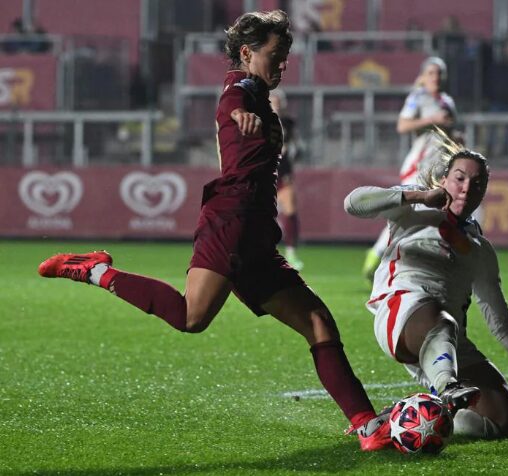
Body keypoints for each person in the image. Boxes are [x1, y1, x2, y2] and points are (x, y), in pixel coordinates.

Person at [37, 10, 392, 452]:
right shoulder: (240, 89)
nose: (283, 65)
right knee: (192, 318)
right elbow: (232, 100)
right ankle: (94, 271)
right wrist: (242, 113)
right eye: (276, 55)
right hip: (232, 221)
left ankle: (368, 427)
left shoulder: (259, 93)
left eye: (286, 56)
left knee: (319, 322)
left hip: (258, 231)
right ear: (247, 53)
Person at [345, 130, 508, 439]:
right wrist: (418, 195)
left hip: (448, 340)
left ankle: (402, 419)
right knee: (441, 321)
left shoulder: (480, 249)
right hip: (401, 315)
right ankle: (447, 389)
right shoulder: (414, 209)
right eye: (459, 178)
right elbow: (352, 203)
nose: (466, 189)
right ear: (444, 180)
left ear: (484, 192)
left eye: (477, 184)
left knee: (505, 421)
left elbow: (501, 322)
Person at [361, 56, 457, 281]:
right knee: (409, 213)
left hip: (439, 170)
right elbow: (402, 125)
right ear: (424, 77)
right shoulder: (418, 98)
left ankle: (399, 261)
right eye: (431, 73)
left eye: (439, 73)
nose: (436, 78)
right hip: (418, 167)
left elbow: (447, 134)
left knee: (429, 216)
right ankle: (379, 257)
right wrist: (431, 119)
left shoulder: (448, 102)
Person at [269, 88, 304, 270]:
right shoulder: (261, 120)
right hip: (265, 175)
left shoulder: (289, 123)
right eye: (273, 100)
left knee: (290, 209)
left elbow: (297, 148)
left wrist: (293, 150)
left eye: (279, 101)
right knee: (262, 216)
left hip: (283, 175)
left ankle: (291, 252)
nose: (277, 104)